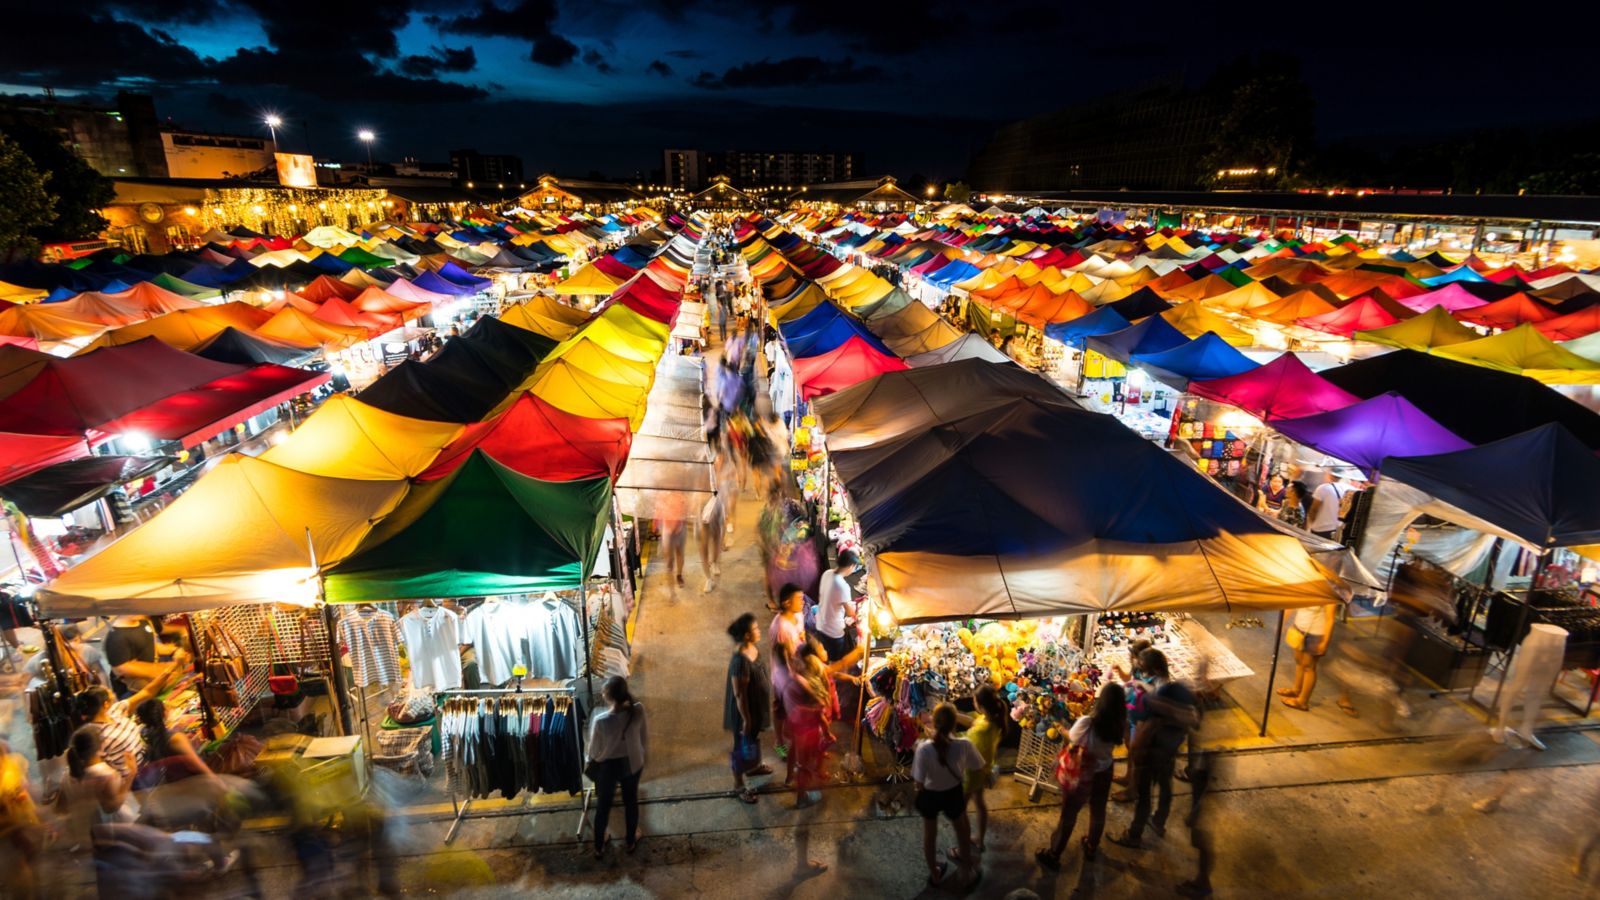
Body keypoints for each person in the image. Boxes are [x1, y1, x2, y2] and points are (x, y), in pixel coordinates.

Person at [1110, 649, 1196, 850]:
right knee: (1165, 788)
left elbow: (1143, 735)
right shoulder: (1179, 709)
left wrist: (1139, 754)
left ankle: (1134, 835)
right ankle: (1158, 822)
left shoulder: (1157, 709)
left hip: (1151, 756)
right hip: (1166, 756)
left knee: (1144, 796)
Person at [1036, 682, 1126, 869]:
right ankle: (1092, 847)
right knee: (1098, 811)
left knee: (1068, 816)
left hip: (1082, 772)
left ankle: (1054, 854)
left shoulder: (1087, 722)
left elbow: (1072, 738)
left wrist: (1061, 728)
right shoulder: (1120, 724)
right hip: (1104, 770)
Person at [911, 703, 984, 887]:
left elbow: (918, 783)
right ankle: (966, 871)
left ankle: (935, 873)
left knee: (930, 835)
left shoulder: (924, 749)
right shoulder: (964, 745)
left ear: (934, 722)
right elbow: (978, 766)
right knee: (962, 831)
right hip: (953, 793)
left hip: (930, 795)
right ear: (954, 724)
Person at [587, 676, 648, 856]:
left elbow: (593, 751)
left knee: (603, 806)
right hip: (633, 762)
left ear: (608, 697)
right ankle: (630, 840)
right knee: (631, 802)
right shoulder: (638, 710)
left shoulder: (601, 720)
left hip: (608, 767)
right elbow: (643, 738)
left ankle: (599, 844)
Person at [56, 725, 134, 851]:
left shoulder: (67, 775)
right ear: (101, 747)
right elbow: (112, 807)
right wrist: (131, 774)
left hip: (84, 834)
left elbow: (60, 808)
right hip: (109, 834)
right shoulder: (106, 775)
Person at [724, 613, 773, 804]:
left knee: (752, 739)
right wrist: (746, 719)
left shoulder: (751, 648)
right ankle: (738, 785)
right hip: (743, 712)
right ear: (746, 635)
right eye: (755, 629)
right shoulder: (739, 661)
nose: (759, 631)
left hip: (754, 707)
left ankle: (753, 767)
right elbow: (739, 694)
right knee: (740, 747)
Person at [783, 640, 834, 809]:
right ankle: (801, 798)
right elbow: (819, 709)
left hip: (796, 725)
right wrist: (826, 731)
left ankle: (789, 779)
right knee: (804, 764)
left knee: (796, 755)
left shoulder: (795, 676)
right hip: (807, 728)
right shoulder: (809, 680)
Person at [961, 686, 1008, 853]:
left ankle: (963, 847)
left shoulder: (981, 731)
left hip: (970, 774)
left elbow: (963, 744)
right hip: (983, 770)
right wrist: (955, 715)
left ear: (979, 705)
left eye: (974, 700)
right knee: (980, 804)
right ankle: (979, 840)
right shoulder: (992, 720)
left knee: (959, 811)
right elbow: (974, 722)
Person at [133, 698, 217, 789]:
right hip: (193, 785)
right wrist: (219, 783)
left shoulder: (145, 734)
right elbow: (197, 766)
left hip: (174, 785)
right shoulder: (175, 739)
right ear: (164, 713)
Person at [1278, 601, 1343, 711]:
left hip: (1315, 635)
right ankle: (1296, 690)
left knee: (1309, 667)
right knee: (1299, 662)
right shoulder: (1307, 586)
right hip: (1299, 629)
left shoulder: (1328, 593)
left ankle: (1302, 701)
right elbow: (1292, 603)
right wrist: (1282, 622)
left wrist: (1324, 642)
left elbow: (1329, 619)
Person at [103, 615, 186, 698]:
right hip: (139, 692)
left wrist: (174, 650)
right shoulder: (115, 637)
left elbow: (151, 646)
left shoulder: (143, 621)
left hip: (158, 683)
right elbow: (122, 668)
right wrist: (161, 670)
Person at [23, 624, 109, 689]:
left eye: (76, 640)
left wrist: (104, 689)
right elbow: (24, 684)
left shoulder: (88, 651)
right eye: (68, 643)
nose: (73, 645)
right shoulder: (40, 660)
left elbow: (99, 672)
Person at [814, 550, 860, 662]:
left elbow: (822, 597)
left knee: (824, 657)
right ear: (851, 566)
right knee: (836, 661)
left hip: (820, 624)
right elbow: (850, 613)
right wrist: (857, 611)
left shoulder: (827, 573)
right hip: (833, 631)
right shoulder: (842, 586)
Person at [697, 489, 725, 593]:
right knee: (703, 549)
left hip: (714, 504)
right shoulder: (698, 490)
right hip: (702, 519)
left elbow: (722, 521)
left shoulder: (716, 494)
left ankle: (714, 563)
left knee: (716, 540)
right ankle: (708, 578)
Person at [1307, 471, 1344, 540]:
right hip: (1335, 529)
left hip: (1320, 529)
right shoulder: (1344, 489)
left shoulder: (1323, 488)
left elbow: (1314, 509)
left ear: (1329, 474)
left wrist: (1309, 525)